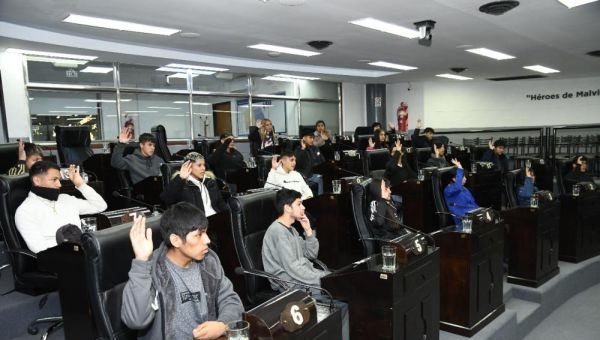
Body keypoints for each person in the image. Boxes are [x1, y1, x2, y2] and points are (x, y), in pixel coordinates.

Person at [121, 202, 243, 340]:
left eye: (206, 232)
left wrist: (223, 324)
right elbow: (136, 321)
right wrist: (141, 261)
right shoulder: (153, 269)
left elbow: (230, 299)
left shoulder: (209, 261)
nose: (208, 240)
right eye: (199, 235)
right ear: (176, 240)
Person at [15, 161, 107, 253]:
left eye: (59, 180)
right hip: (56, 258)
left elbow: (100, 206)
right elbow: (38, 248)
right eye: (54, 179)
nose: (59, 184)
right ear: (37, 180)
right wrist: (68, 243)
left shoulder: (65, 199)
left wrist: (80, 184)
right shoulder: (25, 210)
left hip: (82, 252)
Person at [262, 188, 328, 291]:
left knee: (340, 284)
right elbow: (293, 268)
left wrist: (308, 231)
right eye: (299, 204)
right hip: (291, 284)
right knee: (337, 293)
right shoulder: (278, 232)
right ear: (288, 208)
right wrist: (322, 279)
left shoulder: (291, 229)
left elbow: (311, 254)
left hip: (302, 278)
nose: (303, 207)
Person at [160, 152, 228, 216]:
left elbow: (221, 203)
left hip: (216, 218)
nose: (203, 168)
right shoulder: (181, 183)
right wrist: (180, 179)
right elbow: (166, 199)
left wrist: (229, 216)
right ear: (189, 167)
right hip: (196, 223)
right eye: (199, 165)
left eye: (204, 165)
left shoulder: (210, 181)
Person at [444, 159, 480, 226]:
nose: (465, 178)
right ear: (454, 179)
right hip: (462, 220)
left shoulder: (465, 189)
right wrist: (460, 168)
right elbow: (457, 187)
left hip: (473, 216)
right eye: (463, 177)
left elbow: (473, 203)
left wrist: (481, 212)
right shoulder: (448, 190)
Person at [295, 128, 325, 195]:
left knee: (325, 177)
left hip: (313, 173)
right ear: (304, 138)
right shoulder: (298, 149)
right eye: (310, 138)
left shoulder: (314, 148)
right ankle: (320, 199)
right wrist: (303, 149)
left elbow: (322, 160)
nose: (312, 140)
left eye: (313, 138)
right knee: (320, 179)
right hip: (304, 176)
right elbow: (296, 162)